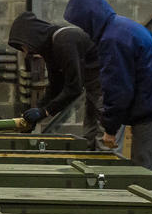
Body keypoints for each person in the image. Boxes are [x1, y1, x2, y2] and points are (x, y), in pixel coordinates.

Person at [63, 0, 152, 172]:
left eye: (83, 24)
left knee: (143, 176)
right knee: (142, 171)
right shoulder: (125, 27)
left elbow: (118, 89)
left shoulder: (113, 39)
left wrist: (110, 128)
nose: (84, 30)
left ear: (90, 19)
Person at [7, 11, 113, 150]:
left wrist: (45, 111)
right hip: (94, 88)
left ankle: (105, 170)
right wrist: (37, 110)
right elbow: (56, 86)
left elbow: (74, 88)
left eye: (23, 47)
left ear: (31, 37)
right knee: (89, 140)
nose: (25, 52)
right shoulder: (51, 49)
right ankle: (93, 169)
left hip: (108, 86)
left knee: (104, 143)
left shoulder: (65, 40)